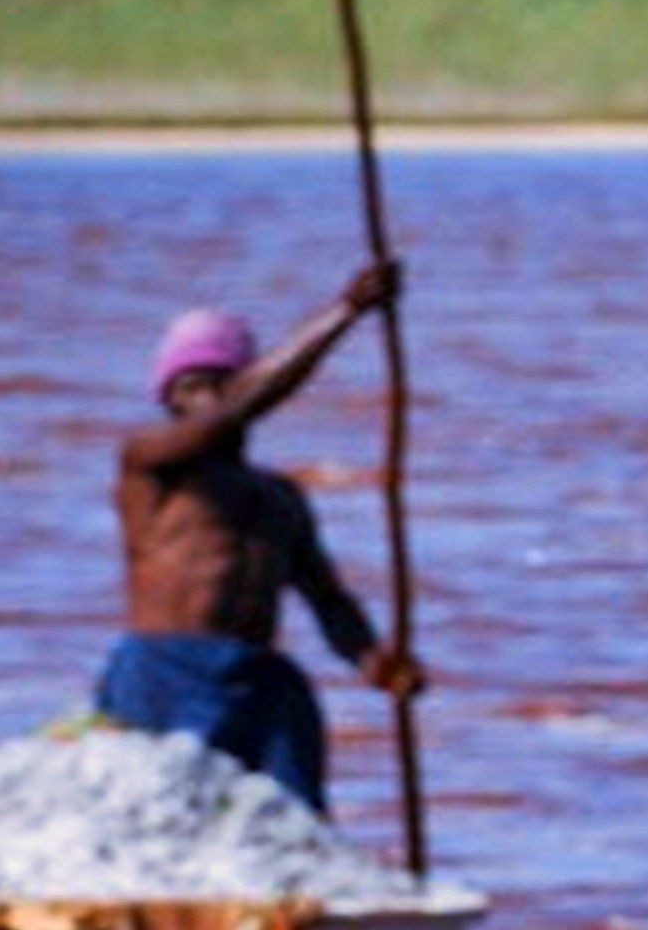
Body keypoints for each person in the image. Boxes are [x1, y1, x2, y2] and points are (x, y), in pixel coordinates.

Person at [101, 260, 421, 812]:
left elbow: (328, 599)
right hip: (165, 670)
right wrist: (347, 310)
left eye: (222, 383)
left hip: (257, 680)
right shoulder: (151, 461)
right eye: (193, 387)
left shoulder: (281, 498)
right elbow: (230, 414)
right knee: (165, 816)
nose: (208, 399)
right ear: (171, 400)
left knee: (293, 817)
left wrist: (375, 662)